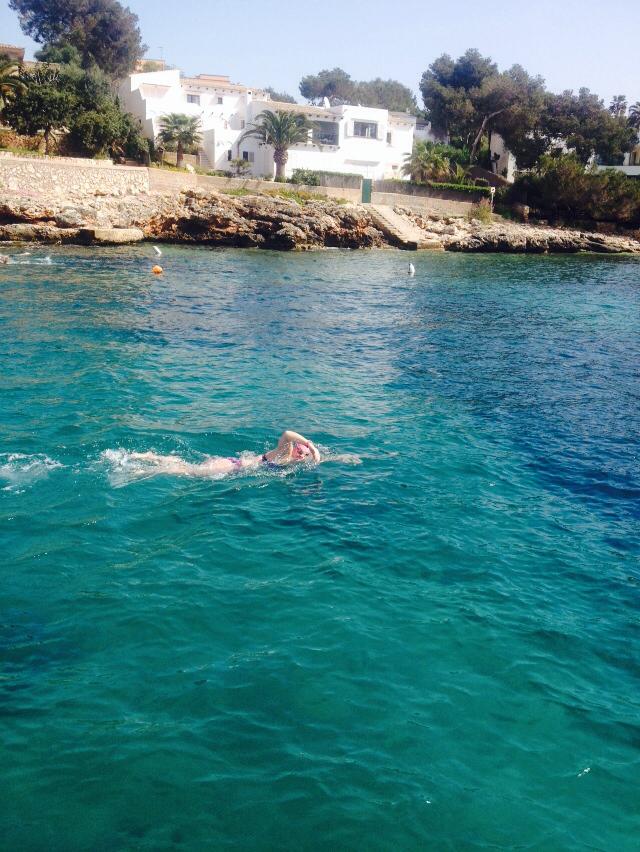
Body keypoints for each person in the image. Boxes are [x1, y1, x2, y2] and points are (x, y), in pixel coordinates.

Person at [127, 430, 321, 478]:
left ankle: (150, 457)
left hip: (233, 464)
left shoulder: (293, 460)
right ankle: (146, 471)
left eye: (304, 455)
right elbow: (287, 433)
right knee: (191, 471)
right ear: (296, 447)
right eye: (301, 451)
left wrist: (314, 456)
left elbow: (323, 459)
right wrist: (310, 446)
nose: (301, 456)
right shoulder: (284, 452)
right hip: (232, 466)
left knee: (187, 466)